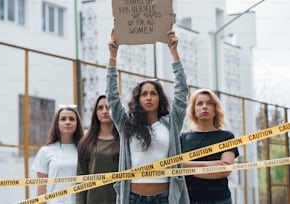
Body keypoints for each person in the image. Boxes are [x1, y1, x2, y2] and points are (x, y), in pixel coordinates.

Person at [106, 29, 190, 204]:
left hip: (165, 198)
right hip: (133, 197)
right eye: (144, 94)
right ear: (138, 98)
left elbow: (182, 92)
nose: (149, 97)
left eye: (153, 93)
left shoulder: (171, 123)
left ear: (160, 98)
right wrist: (113, 56)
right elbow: (112, 97)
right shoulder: (126, 123)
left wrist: (174, 52)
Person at [180, 88, 240, 204]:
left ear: (215, 109)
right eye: (199, 103)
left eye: (209, 103)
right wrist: (207, 164)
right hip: (188, 199)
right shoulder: (183, 137)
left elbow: (224, 170)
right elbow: (174, 165)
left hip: (219, 199)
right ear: (193, 110)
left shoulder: (226, 137)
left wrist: (187, 168)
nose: (204, 106)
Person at [32, 105, 84, 204]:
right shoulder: (45, 151)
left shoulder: (84, 151)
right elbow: (41, 190)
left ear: (77, 123)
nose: (67, 122)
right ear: (57, 123)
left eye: (72, 119)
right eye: (63, 119)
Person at [76, 94, 120, 204]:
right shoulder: (86, 142)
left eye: (108, 107)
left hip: (118, 200)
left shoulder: (124, 140)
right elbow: (81, 177)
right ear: (95, 112)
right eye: (100, 108)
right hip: (92, 200)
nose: (105, 111)